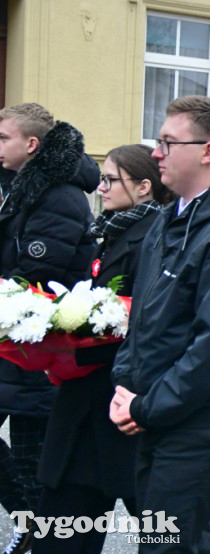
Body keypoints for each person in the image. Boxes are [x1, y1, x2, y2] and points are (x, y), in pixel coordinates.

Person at [109, 96, 210, 553]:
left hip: (208, 421)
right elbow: (143, 318)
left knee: (165, 543)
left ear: (207, 152)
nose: (156, 152)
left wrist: (145, 407)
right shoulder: (171, 218)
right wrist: (126, 386)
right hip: (166, 411)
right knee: (180, 538)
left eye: (167, 142)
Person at [34, 144, 171, 554]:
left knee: (169, 534)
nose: (102, 187)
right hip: (84, 407)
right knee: (63, 528)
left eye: (112, 180)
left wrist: (70, 352)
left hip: (123, 405)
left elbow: (144, 325)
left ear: (144, 187)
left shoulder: (152, 238)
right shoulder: (110, 230)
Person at [0, 104, 99, 554]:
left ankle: (38, 533)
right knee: (28, 462)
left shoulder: (58, 193)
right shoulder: (22, 185)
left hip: (34, 347)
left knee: (30, 461)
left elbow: (36, 275)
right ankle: (33, 529)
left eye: (4, 138)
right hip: (14, 343)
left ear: (32, 144)